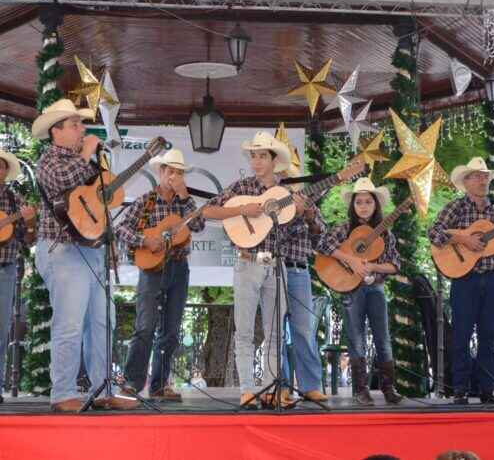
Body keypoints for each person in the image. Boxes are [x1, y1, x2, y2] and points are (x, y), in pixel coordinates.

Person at [32, 98, 138, 412]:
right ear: (56, 131)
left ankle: (103, 389)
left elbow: (103, 201)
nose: (82, 129)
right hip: (62, 250)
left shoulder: (86, 161)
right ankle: (62, 393)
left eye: (81, 124)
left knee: (102, 321)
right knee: (70, 324)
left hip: (91, 250)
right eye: (75, 124)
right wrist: (88, 151)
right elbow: (67, 181)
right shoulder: (49, 160)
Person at [202, 131, 296, 409]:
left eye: (261, 156)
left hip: (276, 263)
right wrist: (245, 208)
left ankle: (269, 388)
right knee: (244, 331)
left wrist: (301, 208)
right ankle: (247, 389)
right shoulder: (241, 186)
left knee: (275, 332)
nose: (256, 161)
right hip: (247, 261)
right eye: (253, 156)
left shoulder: (286, 192)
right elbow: (208, 210)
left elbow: (302, 223)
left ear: (273, 160)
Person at [117, 149, 205, 401]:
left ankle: (159, 385)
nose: (173, 176)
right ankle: (132, 383)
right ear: (160, 172)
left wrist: (186, 195)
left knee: (171, 329)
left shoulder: (184, 202)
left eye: (178, 172)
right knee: (145, 326)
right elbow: (121, 228)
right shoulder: (145, 201)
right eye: (169, 171)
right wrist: (145, 240)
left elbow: (198, 225)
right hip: (152, 270)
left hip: (179, 267)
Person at [428, 157, 494, 405]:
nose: (482, 180)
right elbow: (434, 233)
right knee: (462, 334)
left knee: (488, 335)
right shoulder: (456, 208)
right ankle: (460, 388)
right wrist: (463, 239)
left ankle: (488, 388)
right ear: (466, 181)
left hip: (493, 277)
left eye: (485, 176)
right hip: (465, 279)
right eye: (477, 176)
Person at [316, 177, 402, 405]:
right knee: (356, 338)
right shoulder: (344, 230)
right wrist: (351, 260)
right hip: (351, 290)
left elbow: (395, 265)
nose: (363, 206)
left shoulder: (385, 235)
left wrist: (372, 266)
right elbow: (323, 245)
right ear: (352, 206)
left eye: (368, 202)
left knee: (383, 338)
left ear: (376, 205)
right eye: (359, 202)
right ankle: (360, 390)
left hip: (375, 288)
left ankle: (388, 387)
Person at [277, 165, 328, 404]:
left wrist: (309, 218)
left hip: (299, 269)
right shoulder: (271, 203)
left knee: (304, 330)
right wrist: (293, 214)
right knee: (274, 330)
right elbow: (271, 236)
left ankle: (310, 386)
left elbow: (321, 240)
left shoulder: (311, 205)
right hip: (273, 269)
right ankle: (281, 386)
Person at [0, 151, 36, 404]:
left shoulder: (15, 201)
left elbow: (29, 239)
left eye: (1, 168)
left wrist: (30, 221)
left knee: (1, 329)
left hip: (6, 269)